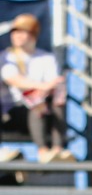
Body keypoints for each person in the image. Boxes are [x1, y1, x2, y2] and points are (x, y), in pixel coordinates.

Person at [0, 14, 67, 162]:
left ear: (33, 34)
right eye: (14, 32)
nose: (17, 36)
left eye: (22, 31)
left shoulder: (46, 58)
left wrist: (44, 91)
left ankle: (57, 151)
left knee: (57, 98)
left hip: (43, 106)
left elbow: (54, 82)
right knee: (36, 103)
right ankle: (43, 151)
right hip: (14, 110)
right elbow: (13, 80)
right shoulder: (6, 57)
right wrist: (41, 87)